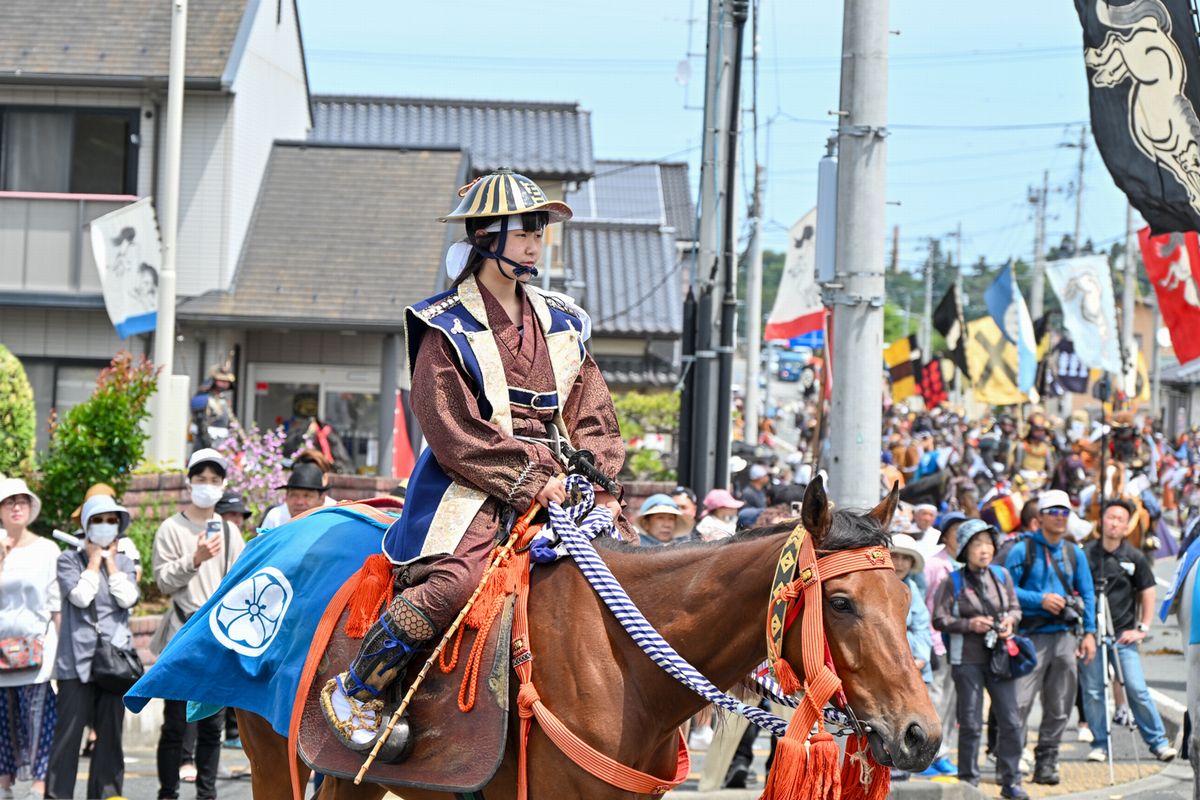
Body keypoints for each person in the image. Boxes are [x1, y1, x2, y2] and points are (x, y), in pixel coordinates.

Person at [321, 169, 630, 754]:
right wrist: (533, 479)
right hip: (471, 480)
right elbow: (450, 427)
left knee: (627, 564)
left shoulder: (564, 320)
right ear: (487, 236)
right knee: (456, 580)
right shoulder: (444, 324)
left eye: (540, 230)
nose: (536, 242)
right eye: (524, 231)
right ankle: (359, 688)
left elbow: (592, 408)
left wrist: (601, 476)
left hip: (567, 482)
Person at [150, 449, 246, 800]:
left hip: (217, 636)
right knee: (175, 722)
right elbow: (162, 582)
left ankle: (207, 795)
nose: (207, 486)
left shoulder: (229, 532)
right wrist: (194, 559)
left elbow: (241, 580)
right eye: (200, 479)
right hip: (180, 633)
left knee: (212, 725)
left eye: (214, 480)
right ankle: (167, 793)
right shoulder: (171, 529)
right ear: (188, 481)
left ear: (223, 485)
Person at [45, 495, 139, 800]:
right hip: (76, 662)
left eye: (111, 520)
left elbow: (128, 598)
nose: (104, 526)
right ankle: (57, 796)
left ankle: (108, 796)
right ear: (85, 525)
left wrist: (110, 563)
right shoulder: (67, 560)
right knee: (68, 739)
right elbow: (80, 596)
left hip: (114, 663)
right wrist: (94, 561)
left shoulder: (125, 561)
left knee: (110, 740)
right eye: (98, 520)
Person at [1005, 489, 1097, 786]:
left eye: (1064, 512)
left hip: (1066, 637)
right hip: (1029, 637)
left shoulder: (1074, 552)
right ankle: (1013, 759)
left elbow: (1088, 594)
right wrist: (1039, 599)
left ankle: (1047, 759)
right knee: (1019, 702)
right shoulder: (1023, 549)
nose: (1060, 518)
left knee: (1060, 705)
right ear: (1040, 517)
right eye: (1054, 512)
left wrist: (1090, 632)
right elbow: (1005, 588)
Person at [932, 519, 1027, 798]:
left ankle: (1011, 781)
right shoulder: (953, 580)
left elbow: (1015, 607)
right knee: (971, 723)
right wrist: (969, 625)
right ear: (964, 549)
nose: (984, 549)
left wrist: (1010, 620)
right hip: (967, 660)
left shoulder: (1001, 576)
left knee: (1011, 720)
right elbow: (939, 619)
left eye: (987, 543)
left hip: (999, 656)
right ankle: (968, 782)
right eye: (976, 544)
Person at [1079, 499, 1178, 763]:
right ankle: (1100, 743)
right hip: (1091, 634)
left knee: (1136, 687)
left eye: (1119, 519)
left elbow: (1147, 591)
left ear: (1126, 526)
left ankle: (1158, 742)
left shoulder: (1134, 556)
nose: (1113, 523)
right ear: (1101, 521)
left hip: (1123, 635)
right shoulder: (1086, 554)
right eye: (1110, 517)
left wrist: (1142, 628)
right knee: (1092, 690)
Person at [0, 479, 62, 799]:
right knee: (3, 721)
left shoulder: (46, 550)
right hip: (0, 652)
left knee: (39, 717)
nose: (16, 506)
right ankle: (4, 782)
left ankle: (39, 783)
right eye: (9, 501)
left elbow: (56, 604)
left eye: (22, 500)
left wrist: (63, 655)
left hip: (36, 649)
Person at [260, 451, 337, 529]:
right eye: (294, 495)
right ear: (286, 496)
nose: (299, 502)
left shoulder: (336, 516)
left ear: (321, 498)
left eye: (307, 496)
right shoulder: (276, 517)